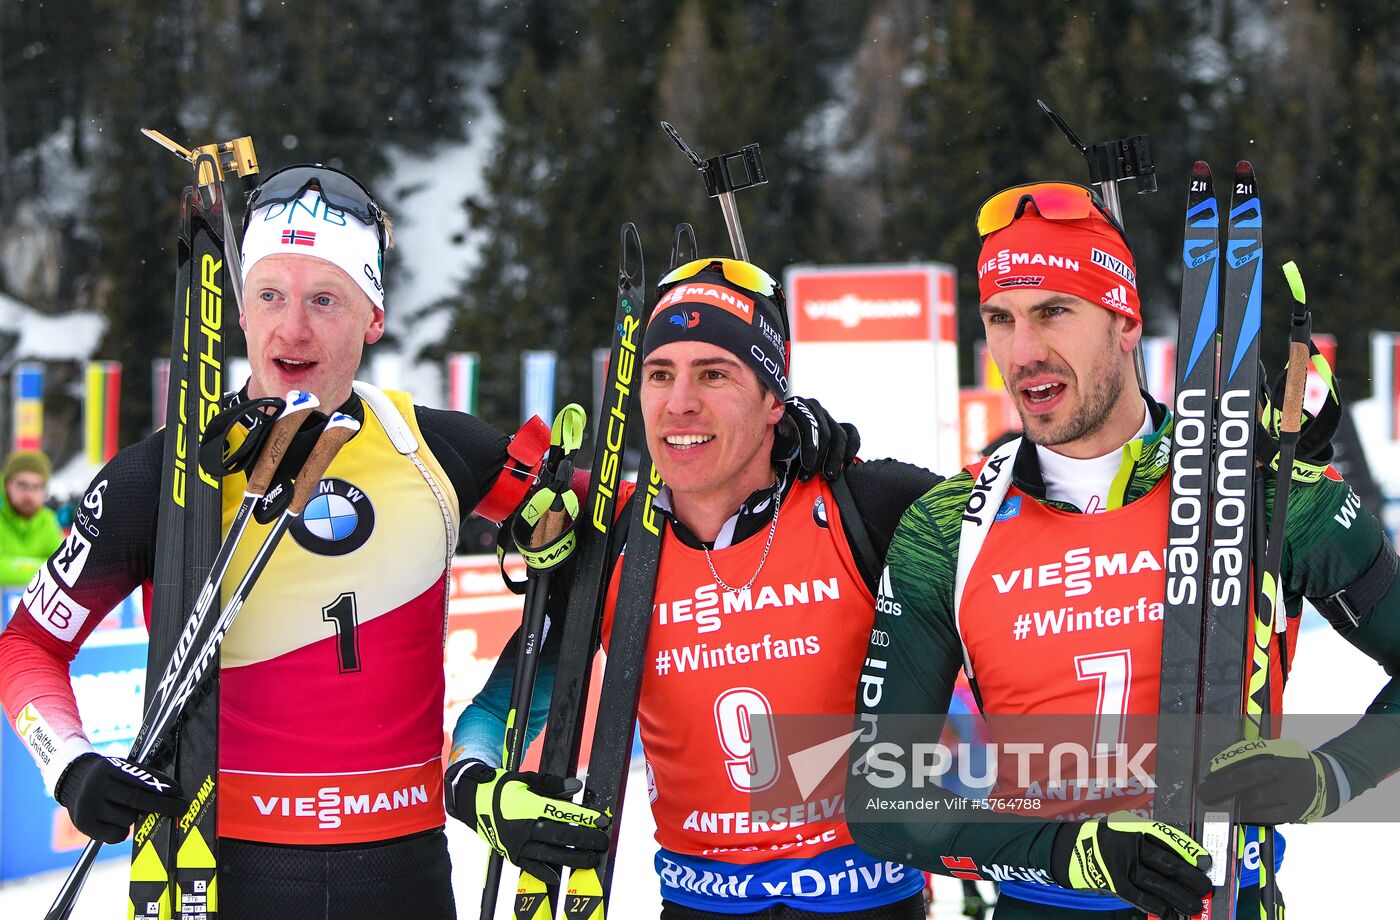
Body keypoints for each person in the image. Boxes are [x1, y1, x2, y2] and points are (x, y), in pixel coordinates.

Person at [0, 165, 560, 919]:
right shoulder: (164, 479)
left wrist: (485, 735)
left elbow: (615, 545)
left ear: (373, 316)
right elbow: (27, 646)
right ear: (238, 309)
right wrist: (67, 764)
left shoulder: (439, 451)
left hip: (403, 874)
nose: (292, 330)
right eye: (270, 295)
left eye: (324, 300)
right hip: (217, 866)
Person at [845, 180, 1400, 918]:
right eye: (1000, 319)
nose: (1024, 353)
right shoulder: (948, 529)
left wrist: (1334, 774)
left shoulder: (1265, 493)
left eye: (1054, 313)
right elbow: (881, 799)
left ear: (1125, 319)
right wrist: (1070, 851)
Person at [449, 257, 945, 917]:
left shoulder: (869, 506)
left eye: (715, 374)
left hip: (868, 902)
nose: (680, 403)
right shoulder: (614, 539)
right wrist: (481, 795)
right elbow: (490, 719)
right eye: (660, 375)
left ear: (775, 401)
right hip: (698, 904)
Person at [0, 449, 64, 588]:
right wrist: (41, 568)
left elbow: (63, 571)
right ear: (7, 485)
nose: (29, 495)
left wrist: (13, 566)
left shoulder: (48, 521)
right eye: (22, 485)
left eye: (36, 487)